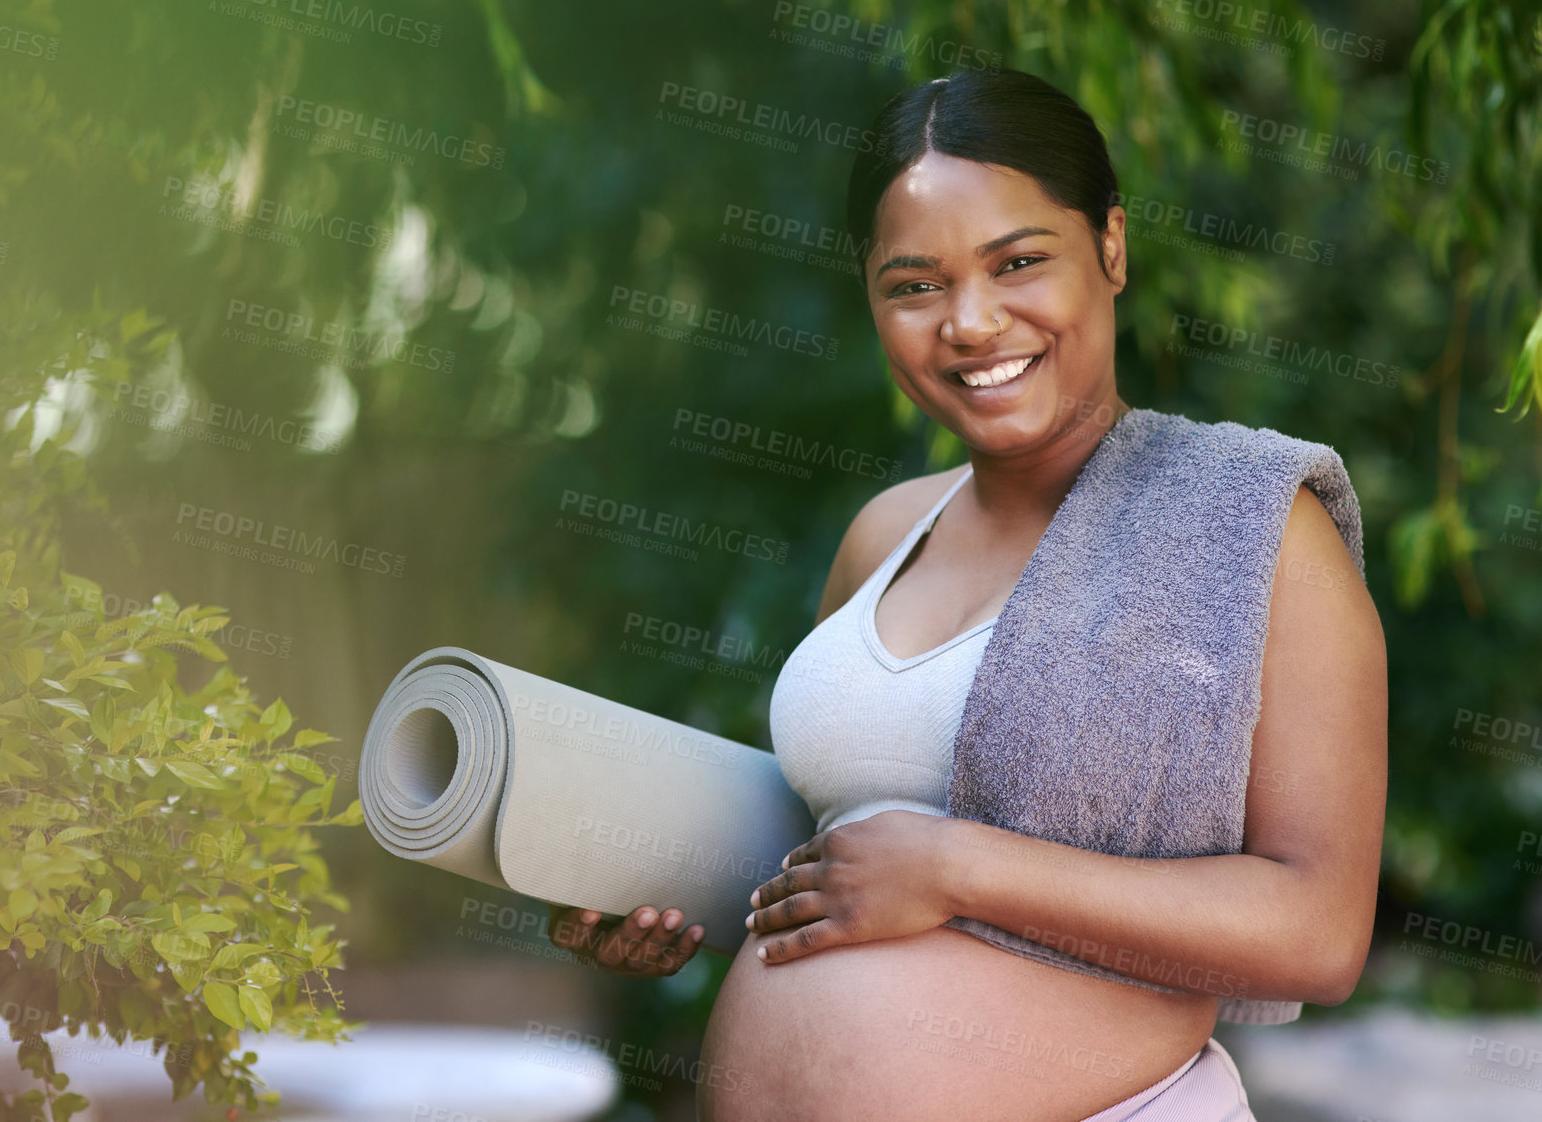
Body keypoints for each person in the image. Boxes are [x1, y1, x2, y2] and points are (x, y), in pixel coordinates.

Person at [548, 67, 1386, 1121]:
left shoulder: (1257, 528)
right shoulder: (884, 537)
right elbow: (836, 862)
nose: (972, 322)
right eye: (915, 284)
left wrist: (959, 868)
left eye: (1020, 262)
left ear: (1112, 247)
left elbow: (1319, 932)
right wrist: (659, 883)